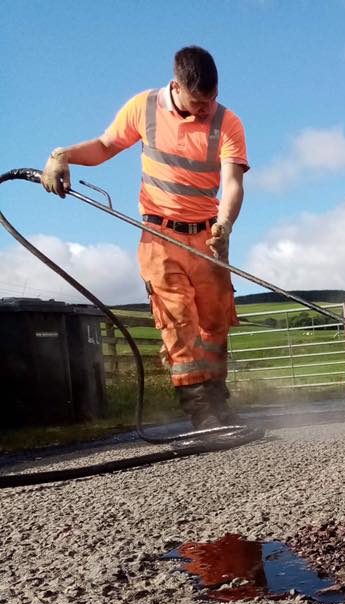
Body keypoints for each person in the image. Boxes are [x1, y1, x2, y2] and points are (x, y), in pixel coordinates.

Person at [40, 46, 248, 429]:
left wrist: (224, 225)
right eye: (198, 102)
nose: (206, 110)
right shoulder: (144, 108)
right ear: (177, 86)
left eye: (211, 101)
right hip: (159, 236)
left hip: (208, 237)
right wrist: (62, 155)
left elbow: (233, 183)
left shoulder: (227, 122)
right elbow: (105, 147)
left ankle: (220, 403)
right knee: (178, 324)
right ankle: (202, 412)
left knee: (215, 324)